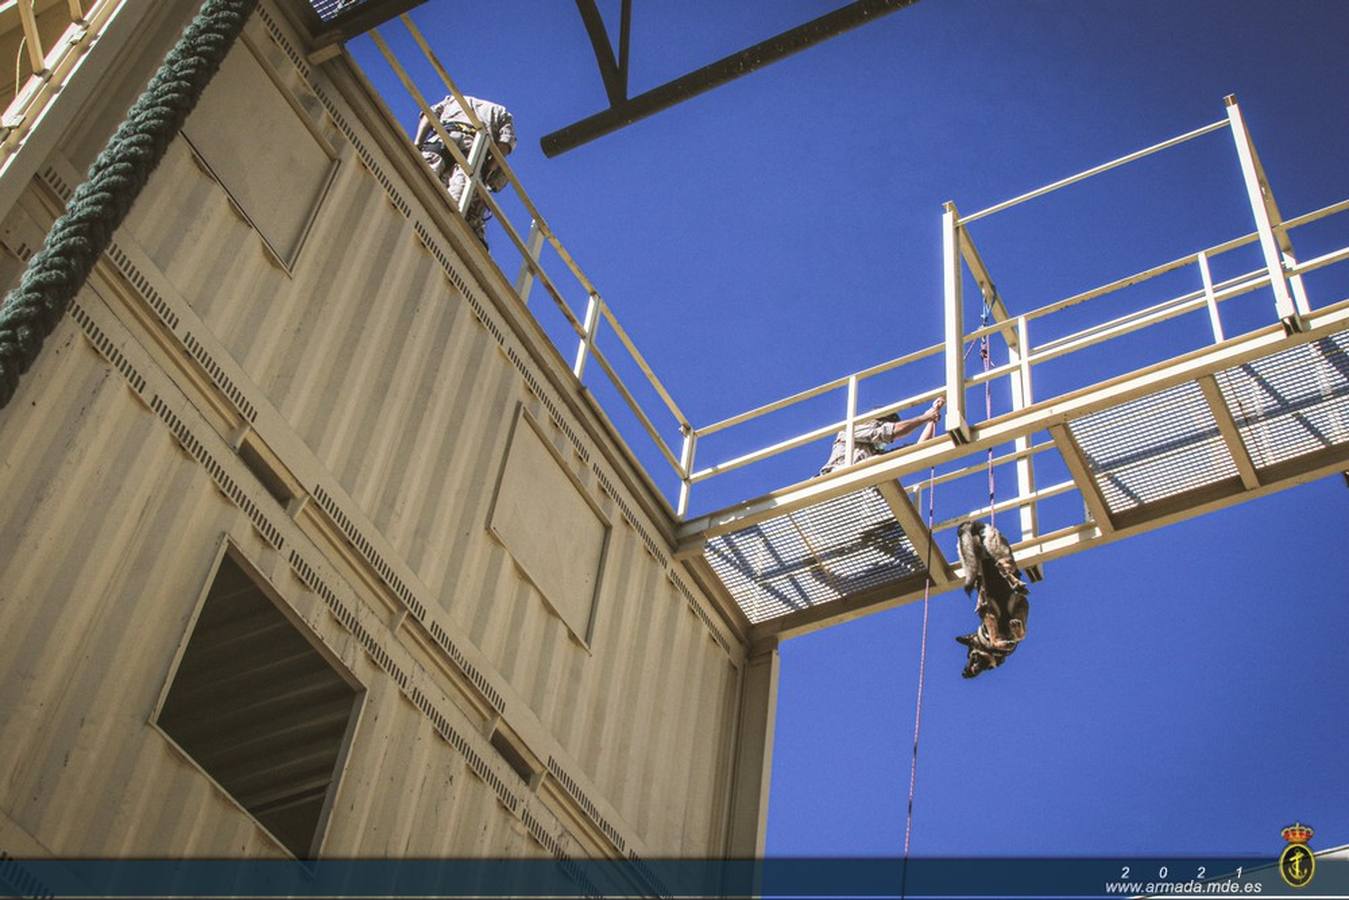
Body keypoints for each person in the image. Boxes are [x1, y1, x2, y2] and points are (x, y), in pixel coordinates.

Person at [414, 93, 516, 247]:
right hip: (472, 151)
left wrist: (417, 143)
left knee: (419, 183)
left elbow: (428, 116)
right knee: (456, 204)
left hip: (442, 139)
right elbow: (504, 144)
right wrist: (488, 169)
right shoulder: (502, 112)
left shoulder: (453, 98)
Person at [818, 397, 944, 476]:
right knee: (877, 463)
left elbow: (919, 448)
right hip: (837, 475)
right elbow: (893, 431)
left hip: (863, 488)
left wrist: (931, 419)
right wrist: (925, 417)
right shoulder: (850, 431)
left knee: (879, 463)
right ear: (877, 422)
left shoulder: (876, 455)